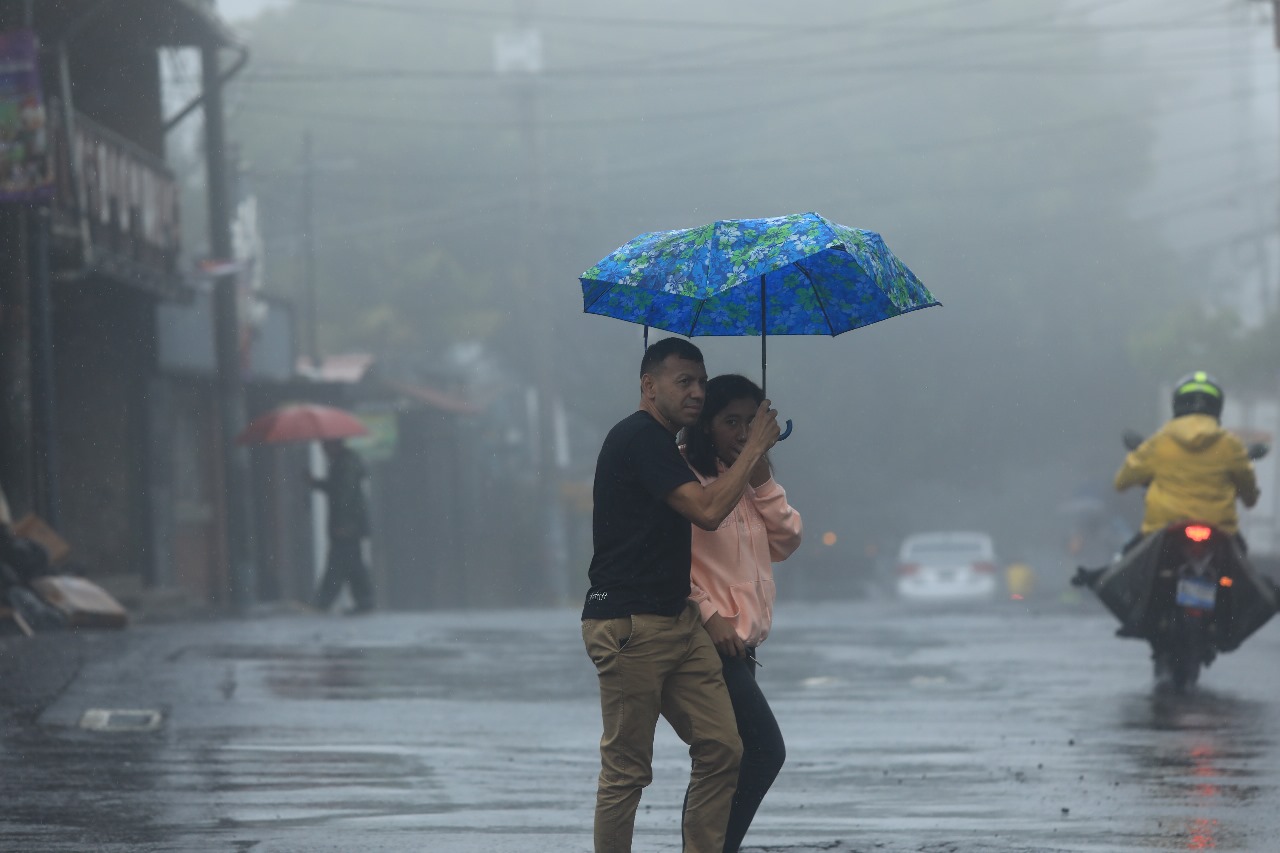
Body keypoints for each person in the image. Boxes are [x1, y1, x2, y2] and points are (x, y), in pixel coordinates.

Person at [581, 337, 781, 853]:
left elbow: (777, 534)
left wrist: (752, 463)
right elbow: (708, 511)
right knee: (628, 769)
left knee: (724, 749)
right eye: (683, 381)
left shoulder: (663, 446)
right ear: (649, 386)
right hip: (629, 624)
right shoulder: (639, 438)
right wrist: (755, 448)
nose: (696, 393)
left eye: (701, 381)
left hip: (678, 619)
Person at [683, 374, 802, 853]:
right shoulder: (689, 482)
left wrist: (762, 476)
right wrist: (708, 612)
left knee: (724, 761)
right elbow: (665, 562)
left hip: (745, 648)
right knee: (763, 751)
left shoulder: (751, 484)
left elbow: (787, 541)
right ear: (707, 425)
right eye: (731, 421)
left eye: (751, 423)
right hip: (708, 646)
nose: (742, 432)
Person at [1114, 371, 1259, 542]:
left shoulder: (1160, 442)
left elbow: (1121, 482)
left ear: (1177, 404)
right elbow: (1249, 496)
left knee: (1129, 561)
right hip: (1220, 532)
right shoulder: (1230, 446)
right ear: (1217, 406)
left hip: (1162, 532)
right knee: (1242, 561)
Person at [310, 438, 374, 614]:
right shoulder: (344, 463)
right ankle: (364, 600)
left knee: (338, 563)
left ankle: (324, 601)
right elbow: (337, 488)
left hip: (347, 527)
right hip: (351, 526)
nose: (323, 450)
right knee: (352, 564)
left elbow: (344, 494)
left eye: (325, 445)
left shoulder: (345, 465)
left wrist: (344, 524)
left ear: (334, 444)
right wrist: (316, 483)